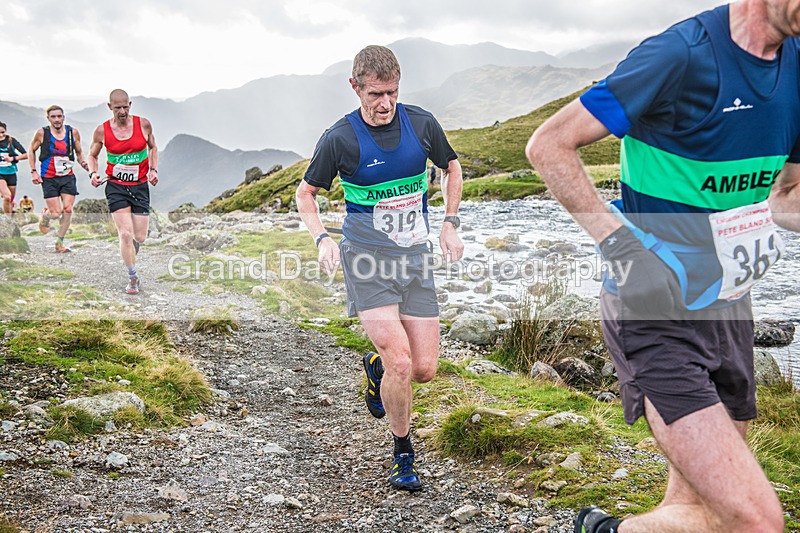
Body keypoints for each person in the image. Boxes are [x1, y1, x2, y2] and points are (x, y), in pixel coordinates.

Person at [526, 1, 800, 532]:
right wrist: (624, 250)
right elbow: (549, 145)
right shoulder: (680, 56)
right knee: (756, 521)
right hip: (653, 310)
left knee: (701, 512)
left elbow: (785, 197)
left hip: (729, 306)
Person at [296, 45, 464, 492]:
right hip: (367, 261)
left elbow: (451, 166)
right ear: (355, 88)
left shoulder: (422, 124)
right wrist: (323, 239)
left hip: (415, 259)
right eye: (375, 94)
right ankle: (403, 453)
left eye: (392, 92)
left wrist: (449, 223)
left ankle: (376, 367)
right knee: (403, 361)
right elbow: (305, 194)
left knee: (425, 368)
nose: (385, 103)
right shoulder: (341, 139)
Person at [88, 89, 158, 295]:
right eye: (117, 107)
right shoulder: (102, 131)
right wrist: (93, 173)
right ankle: (132, 276)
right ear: (110, 107)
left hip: (140, 185)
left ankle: (131, 250)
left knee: (140, 236)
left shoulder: (143, 124)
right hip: (116, 186)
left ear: (130, 105)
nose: (122, 111)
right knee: (125, 234)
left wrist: (153, 170)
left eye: (125, 106)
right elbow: (92, 155)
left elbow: (153, 147)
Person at [28, 105, 90, 252]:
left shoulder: (72, 133)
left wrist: (83, 163)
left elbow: (79, 152)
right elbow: (31, 150)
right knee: (55, 213)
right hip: (48, 177)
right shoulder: (42, 133)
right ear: (48, 118)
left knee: (68, 210)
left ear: (63, 117)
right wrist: (33, 171)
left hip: (67, 177)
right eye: (53, 117)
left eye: (59, 116)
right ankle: (46, 215)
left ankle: (59, 243)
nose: (57, 120)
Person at [0, 122, 27, 215]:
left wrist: (13, 158)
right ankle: (8, 221)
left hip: (11, 173)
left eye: (3, 132)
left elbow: (26, 154)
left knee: (10, 200)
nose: (1, 135)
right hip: (0, 174)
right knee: (7, 197)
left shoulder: (11, 141)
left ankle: (10, 219)